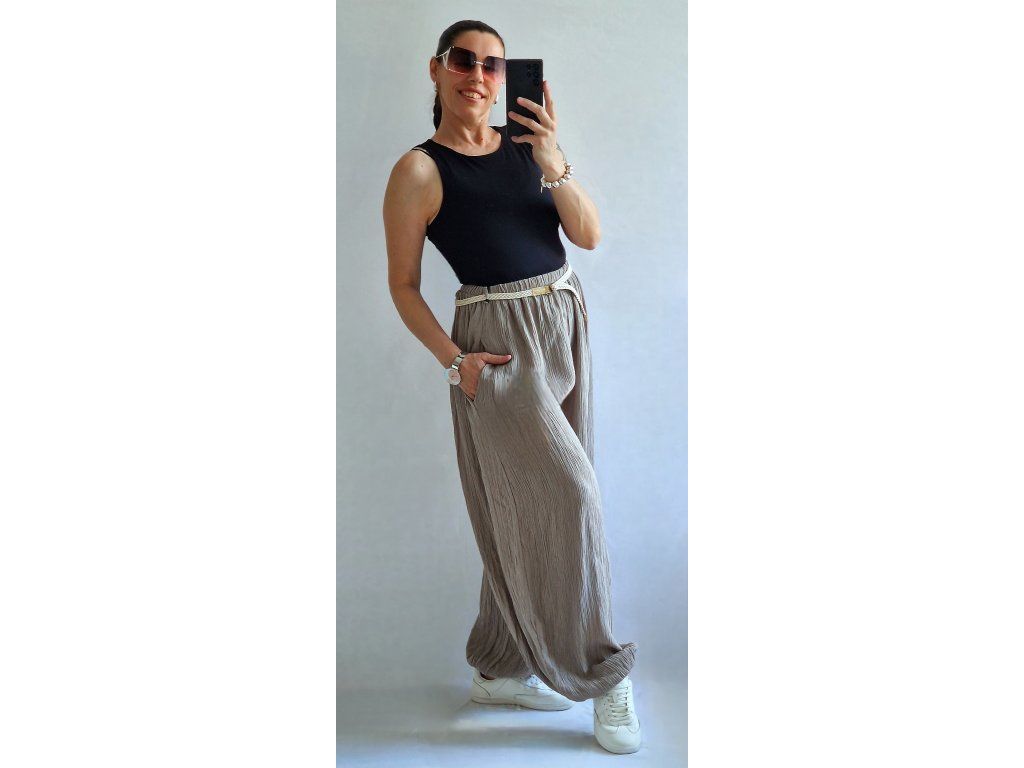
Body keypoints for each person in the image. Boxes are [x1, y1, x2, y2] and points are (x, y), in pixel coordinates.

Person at [381, 20, 642, 755]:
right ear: (436, 69)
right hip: (496, 346)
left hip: (564, 319)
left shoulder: (529, 147)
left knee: (522, 505)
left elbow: (587, 235)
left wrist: (554, 161)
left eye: (493, 65)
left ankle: (498, 667)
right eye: (464, 61)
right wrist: (453, 362)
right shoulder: (420, 170)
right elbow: (403, 285)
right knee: (572, 497)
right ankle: (603, 674)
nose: (479, 76)